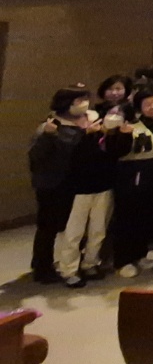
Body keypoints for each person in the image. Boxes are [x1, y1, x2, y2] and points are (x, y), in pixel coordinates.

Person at [55, 95, 125, 287]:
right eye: (77, 100)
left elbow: (115, 153)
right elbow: (69, 156)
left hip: (104, 185)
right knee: (74, 232)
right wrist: (86, 135)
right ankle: (68, 270)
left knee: (98, 229)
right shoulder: (65, 128)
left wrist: (114, 133)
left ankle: (90, 263)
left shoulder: (103, 127)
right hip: (78, 189)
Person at [28, 86, 93, 284]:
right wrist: (49, 136)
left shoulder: (85, 121)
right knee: (48, 227)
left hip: (74, 183)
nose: (83, 104)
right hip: (51, 184)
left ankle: (68, 262)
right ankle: (42, 267)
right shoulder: (51, 125)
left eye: (85, 99)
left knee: (70, 226)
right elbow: (36, 156)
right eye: (78, 100)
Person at [110, 87, 153, 277]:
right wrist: (124, 135)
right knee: (128, 219)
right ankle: (123, 260)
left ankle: (140, 254)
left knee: (146, 218)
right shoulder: (130, 124)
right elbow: (116, 151)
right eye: (148, 104)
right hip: (131, 177)